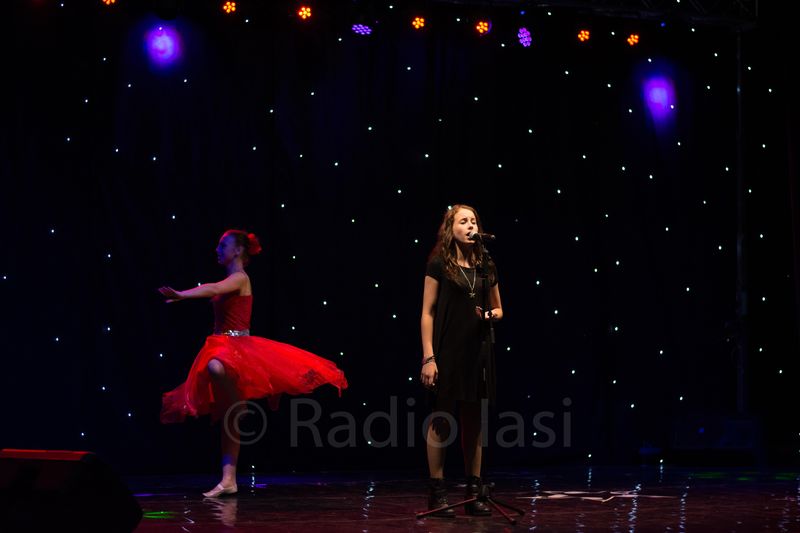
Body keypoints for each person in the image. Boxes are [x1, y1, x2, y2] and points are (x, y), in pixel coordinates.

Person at [159, 229, 348, 498]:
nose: (217, 250)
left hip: (237, 348)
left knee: (215, 368)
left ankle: (239, 403)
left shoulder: (240, 278)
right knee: (228, 416)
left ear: (238, 251)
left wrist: (182, 294)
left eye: (222, 245)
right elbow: (216, 289)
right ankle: (229, 480)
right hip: (221, 343)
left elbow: (214, 288)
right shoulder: (231, 278)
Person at [420, 204, 503, 517]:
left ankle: (473, 490)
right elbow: (427, 313)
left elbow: (499, 308)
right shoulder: (439, 264)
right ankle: (437, 492)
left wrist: (490, 315)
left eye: (473, 221)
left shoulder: (486, 265)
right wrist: (429, 357)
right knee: (442, 418)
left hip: (478, 352)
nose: (470, 226)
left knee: (474, 421)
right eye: (463, 221)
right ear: (450, 229)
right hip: (447, 350)